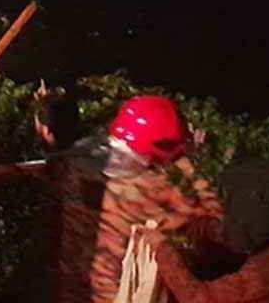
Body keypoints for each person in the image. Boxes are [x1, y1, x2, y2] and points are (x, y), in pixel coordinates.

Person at [49, 95, 222, 303]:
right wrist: (188, 167)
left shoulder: (73, 168)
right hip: (118, 294)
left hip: (72, 288)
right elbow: (216, 223)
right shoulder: (156, 189)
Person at [152, 158, 269, 303]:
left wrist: (162, 249)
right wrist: (189, 224)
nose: (225, 212)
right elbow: (228, 235)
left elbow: (199, 299)